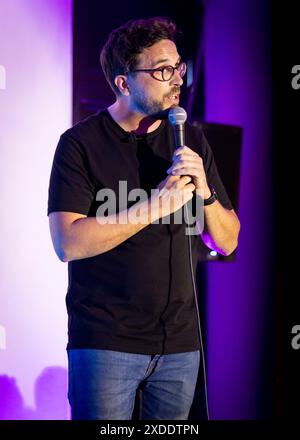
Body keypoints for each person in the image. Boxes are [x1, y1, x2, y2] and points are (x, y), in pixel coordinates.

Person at [47, 16, 240, 420]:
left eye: (178, 67)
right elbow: (69, 243)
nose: (177, 81)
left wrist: (204, 194)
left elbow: (227, 240)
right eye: (162, 70)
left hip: (180, 347)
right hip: (105, 343)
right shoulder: (79, 145)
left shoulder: (190, 140)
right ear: (123, 82)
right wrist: (155, 205)